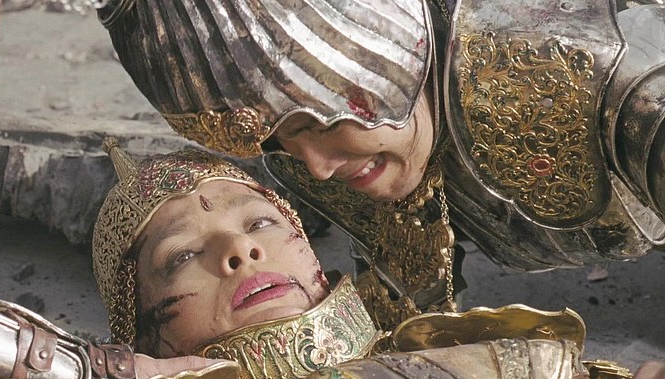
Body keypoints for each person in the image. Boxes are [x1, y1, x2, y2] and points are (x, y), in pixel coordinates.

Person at [98, 0, 665, 332]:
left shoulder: (590, 75)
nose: (316, 167)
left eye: (318, 123)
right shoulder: (333, 159)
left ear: (380, 55)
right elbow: (407, 309)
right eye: (280, 143)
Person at [90, 142, 665, 379]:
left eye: (261, 224)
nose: (239, 251)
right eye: (183, 256)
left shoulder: (484, 349)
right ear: (139, 335)